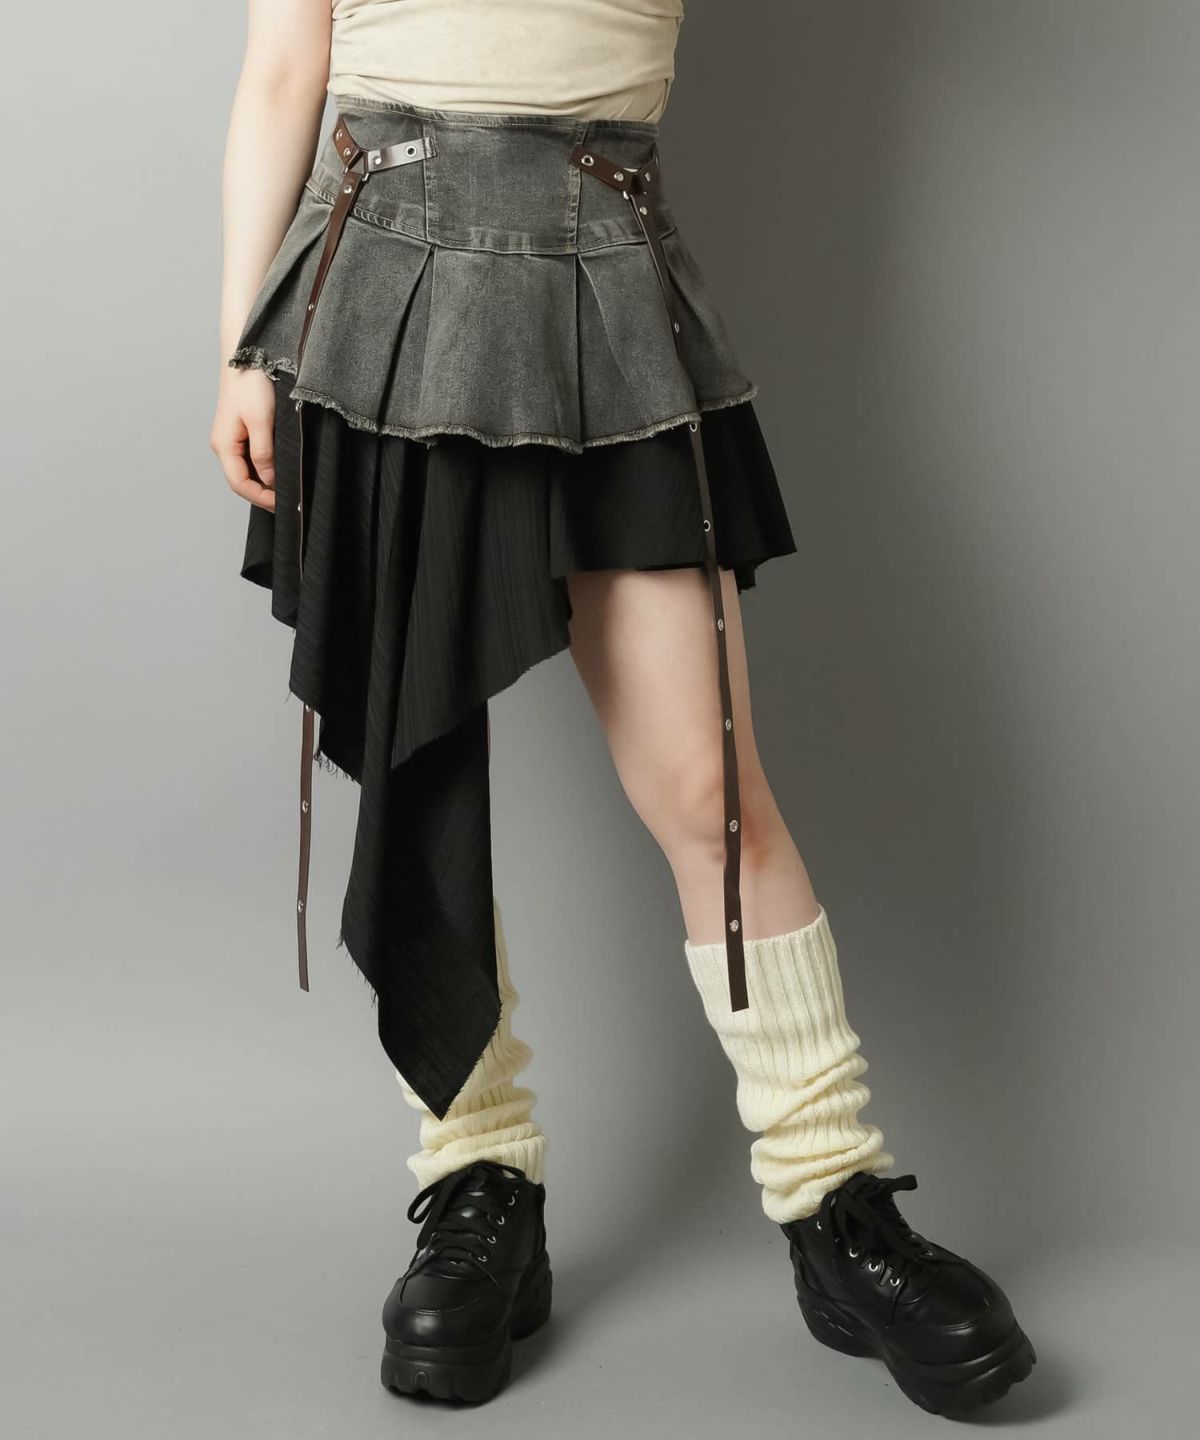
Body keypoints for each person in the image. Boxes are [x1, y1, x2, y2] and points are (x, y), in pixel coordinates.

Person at [210, 0, 1036, 1415]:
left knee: (710, 785)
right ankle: (477, 1177)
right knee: (416, 760)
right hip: (382, 267)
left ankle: (830, 1192)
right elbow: (284, 65)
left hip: (604, 265)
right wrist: (241, 344)